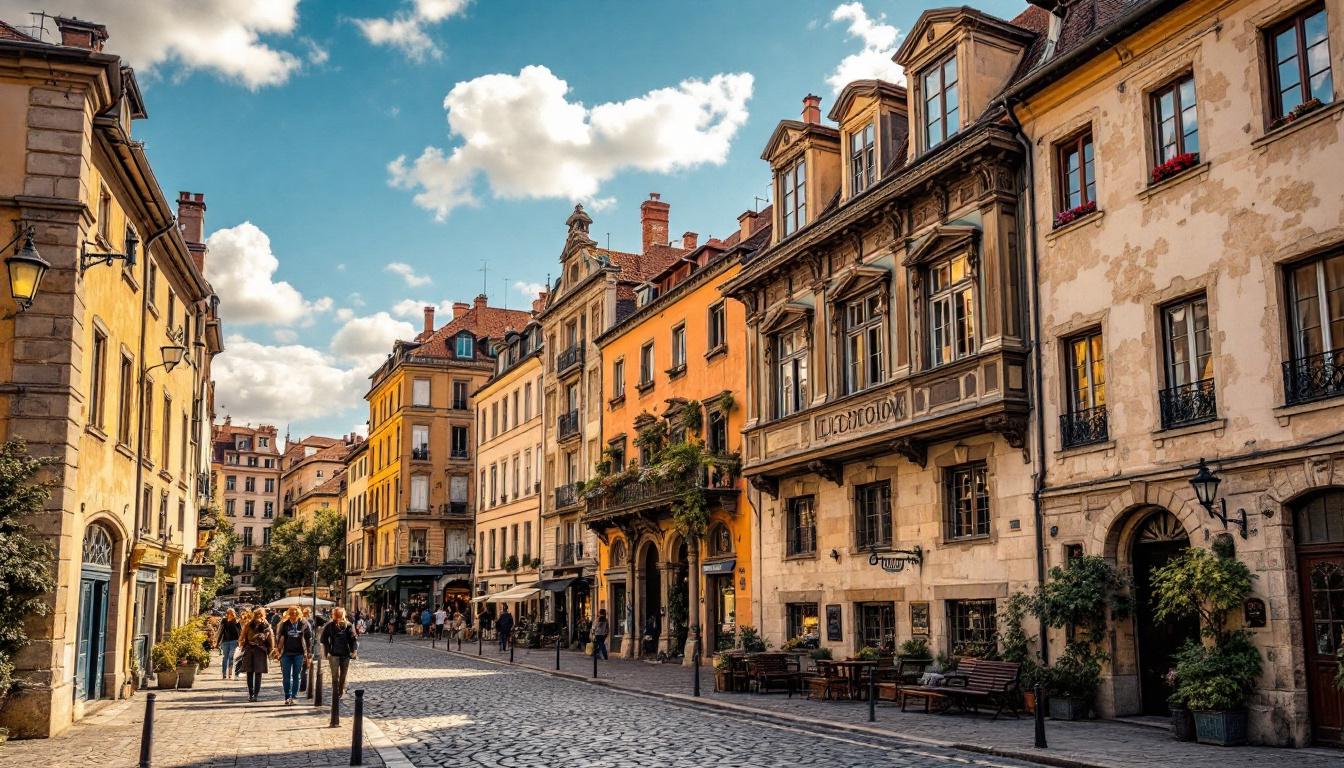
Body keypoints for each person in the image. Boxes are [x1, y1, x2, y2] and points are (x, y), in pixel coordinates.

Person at [276, 606, 312, 705]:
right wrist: (277, 651)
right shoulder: (284, 624)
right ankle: (287, 695)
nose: (293, 615)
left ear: (299, 614)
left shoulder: (304, 624)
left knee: (296, 675)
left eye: (295, 613)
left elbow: (308, 639)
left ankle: (293, 696)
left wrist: (308, 653)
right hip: (286, 654)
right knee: (286, 676)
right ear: (288, 614)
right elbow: (279, 637)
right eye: (291, 613)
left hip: (299, 653)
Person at [320, 607, 358, 699]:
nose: (339, 617)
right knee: (334, 675)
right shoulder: (330, 625)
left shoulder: (348, 625)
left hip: (345, 654)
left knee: (343, 675)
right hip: (334, 654)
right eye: (338, 615)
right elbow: (323, 639)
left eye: (340, 615)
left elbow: (353, 640)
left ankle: (340, 691)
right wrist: (327, 651)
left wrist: (354, 651)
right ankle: (335, 692)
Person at [239, 610, 274, 702]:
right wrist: (242, 643)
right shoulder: (248, 624)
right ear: (254, 616)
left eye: (260, 614)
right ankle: (251, 694)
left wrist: (271, 650)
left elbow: (270, 638)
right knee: (249, 673)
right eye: (257, 614)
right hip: (249, 649)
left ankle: (256, 695)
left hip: (261, 650)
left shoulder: (266, 625)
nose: (259, 616)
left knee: (258, 673)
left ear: (263, 615)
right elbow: (242, 637)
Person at [217, 608, 241, 679]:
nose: (230, 615)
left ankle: (230, 673)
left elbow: (239, 632)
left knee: (231, 657)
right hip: (225, 641)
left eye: (231, 613)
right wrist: (218, 642)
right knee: (225, 657)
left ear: (233, 613)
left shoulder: (236, 621)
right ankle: (224, 673)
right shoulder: (224, 620)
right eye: (228, 613)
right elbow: (220, 631)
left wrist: (240, 641)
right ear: (227, 613)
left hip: (234, 641)